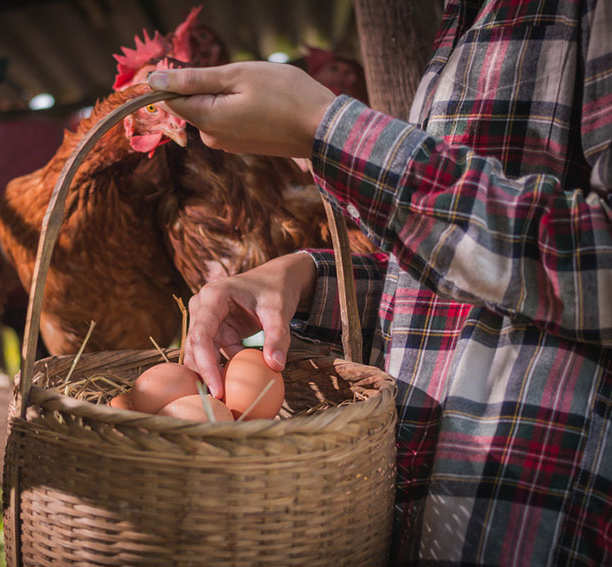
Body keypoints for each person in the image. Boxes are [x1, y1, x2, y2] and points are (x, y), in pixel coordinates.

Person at [147, 1, 612, 565]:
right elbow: (472, 295)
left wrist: (327, 129)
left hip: (538, 526)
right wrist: (306, 278)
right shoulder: (471, 15)